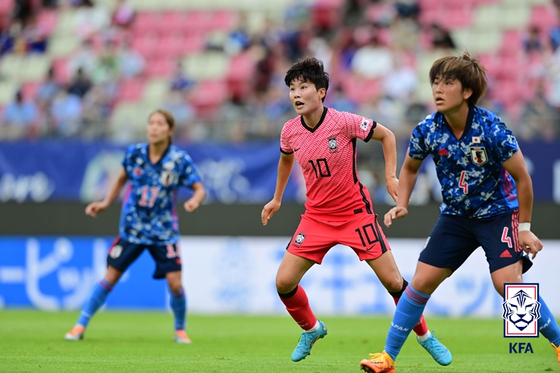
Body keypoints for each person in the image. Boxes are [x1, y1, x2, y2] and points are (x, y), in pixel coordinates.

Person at [360, 51, 560, 372]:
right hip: (455, 217)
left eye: (447, 82)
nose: (438, 89)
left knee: (508, 287)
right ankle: (387, 358)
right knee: (420, 283)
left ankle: (559, 343)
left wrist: (524, 226)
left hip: (497, 214)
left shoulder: (492, 129)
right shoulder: (427, 129)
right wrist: (402, 203)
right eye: (435, 82)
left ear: (467, 91)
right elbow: (410, 168)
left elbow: (523, 178)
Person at [260, 56, 451, 364]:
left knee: (394, 282)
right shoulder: (289, 131)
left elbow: (387, 135)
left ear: (321, 92)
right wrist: (277, 198)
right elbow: (286, 159)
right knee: (283, 282)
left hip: (355, 215)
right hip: (316, 218)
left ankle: (425, 336)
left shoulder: (344, 122)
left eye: (303, 87)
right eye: (292, 88)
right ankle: (311, 329)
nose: (296, 94)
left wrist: (390, 175)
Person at [65, 109, 206, 344]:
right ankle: (80, 325)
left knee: (175, 283)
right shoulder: (135, 154)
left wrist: (194, 200)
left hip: (163, 230)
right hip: (133, 227)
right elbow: (121, 179)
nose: (153, 128)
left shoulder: (179, 160)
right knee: (110, 277)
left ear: (170, 130)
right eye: (151, 123)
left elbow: (199, 188)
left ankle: (180, 329)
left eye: (160, 124)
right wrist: (105, 203)